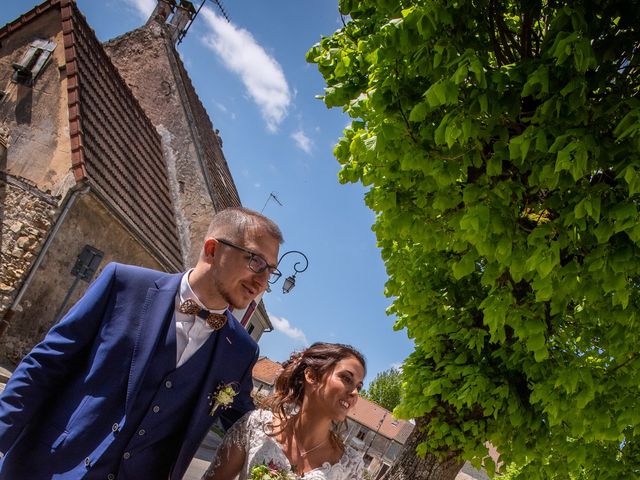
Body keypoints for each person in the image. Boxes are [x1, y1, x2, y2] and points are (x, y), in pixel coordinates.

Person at [0, 207, 283, 480]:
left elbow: (244, 424)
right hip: (49, 468)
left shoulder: (242, 350)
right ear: (212, 249)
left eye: (271, 271)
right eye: (255, 261)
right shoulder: (124, 284)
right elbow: (44, 366)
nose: (262, 281)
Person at [202, 342, 366, 480]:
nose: (355, 393)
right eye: (346, 378)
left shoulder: (351, 465)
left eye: (359, 386)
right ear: (312, 376)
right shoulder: (256, 425)